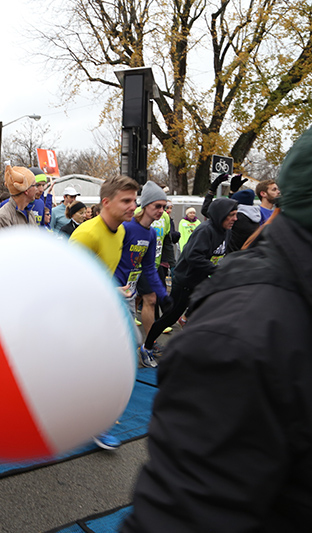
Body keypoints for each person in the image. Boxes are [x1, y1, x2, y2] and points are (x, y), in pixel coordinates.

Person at [122, 126, 312, 533]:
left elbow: (154, 261)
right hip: (189, 284)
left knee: (162, 315)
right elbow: (184, 511)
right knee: (161, 322)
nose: (230, 219)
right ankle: (137, 354)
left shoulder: (210, 233)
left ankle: (144, 346)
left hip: (180, 287)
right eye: (158, 208)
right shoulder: (240, 334)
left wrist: (156, 283)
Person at [69, 174, 139, 450]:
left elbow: (99, 272)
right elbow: (68, 280)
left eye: (134, 200)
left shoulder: (121, 230)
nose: (133, 206)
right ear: (106, 202)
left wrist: (115, 288)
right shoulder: (87, 234)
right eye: (126, 201)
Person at [138, 196, 238, 362]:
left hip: (204, 280)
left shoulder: (226, 232)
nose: (235, 218)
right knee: (169, 318)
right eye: (232, 215)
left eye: (236, 214)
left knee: (209, 313)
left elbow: (226, 253)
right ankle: (146, 347)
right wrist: (217, 269)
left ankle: (194, 348)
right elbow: (193, 256)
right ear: (221, 214)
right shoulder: (205, 230)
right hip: (186, 280)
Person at [113, 181, 171, 368]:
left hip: (130, 291)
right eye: (157, 206)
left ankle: (121, 368)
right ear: (145, 205)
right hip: (114, 289)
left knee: (130, 337)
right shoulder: (127, 227)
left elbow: (148, 268)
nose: (161, 210)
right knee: (128, 336)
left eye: (164, 206)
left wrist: (163, 295)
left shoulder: (152, 234)